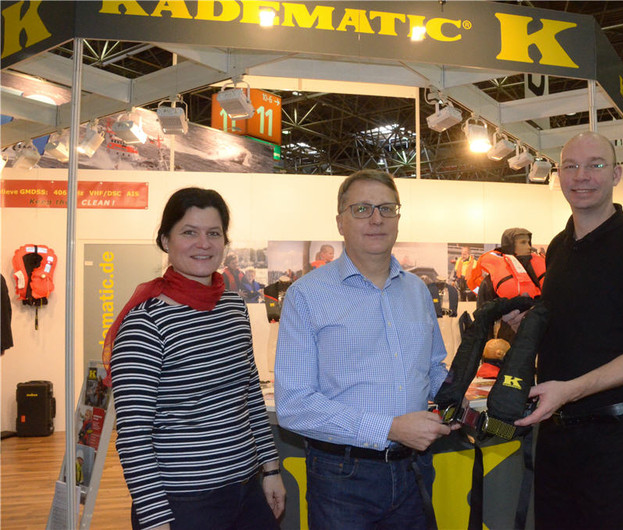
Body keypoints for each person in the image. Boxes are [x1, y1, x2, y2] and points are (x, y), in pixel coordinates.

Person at [515, 132, 623, 529]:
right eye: (570, 166)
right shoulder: (558, 247)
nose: (581, 176)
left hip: (618, 438)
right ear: (558, 176)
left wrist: (570, 390)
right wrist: (531, 323)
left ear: (616, 174)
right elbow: (582, 322)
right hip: (555, 433)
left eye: (595, 165)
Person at [274, 170, 454, 529]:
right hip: (342, 476)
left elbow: (433, 368)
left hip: (415, 468)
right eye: (361, 209)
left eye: (387, 208)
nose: (376, 219)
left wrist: (458, 399)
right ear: (340, 221)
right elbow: (294, 405)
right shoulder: (307, 295)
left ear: (398, 218)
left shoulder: (418, 290)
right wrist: (390, 428)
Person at [108, 188, 285, 530]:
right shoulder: (145, 323)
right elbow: (133, 434)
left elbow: (249, 393)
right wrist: (155, 519)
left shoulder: (233, 307)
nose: (203, 244)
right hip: (184, 501)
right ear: (165, 240)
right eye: (189, 232)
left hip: (247, 489)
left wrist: (271, 468)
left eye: (213, 233)